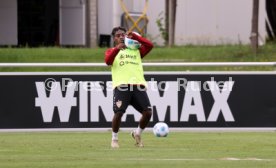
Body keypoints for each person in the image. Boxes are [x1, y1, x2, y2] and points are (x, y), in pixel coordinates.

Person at [105, 27, 154, 148]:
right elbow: (107, 61)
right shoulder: (112, 50)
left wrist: (136, 36)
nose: (121, 36)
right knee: (119, 113)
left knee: (147, 113)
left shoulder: (136, 50)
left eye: (123, 34)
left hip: (138, 85)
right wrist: (117, 49)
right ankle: (114, 139)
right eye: (118, 35)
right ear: (114, 38)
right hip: (122, 86)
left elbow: (150, 45)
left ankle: (137, 133)